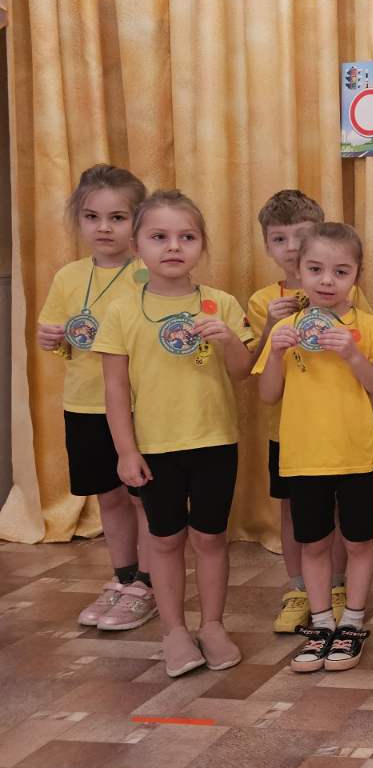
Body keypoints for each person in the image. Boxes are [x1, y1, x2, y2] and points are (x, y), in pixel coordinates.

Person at [96, 190, 254, 676]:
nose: (173, 247)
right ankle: (174, 631)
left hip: (214, 443)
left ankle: (213, 625)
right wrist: (126, 451)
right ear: (137, 246)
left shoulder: (220, 303)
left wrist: (229, 339)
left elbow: (243, 371)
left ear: (202, 245)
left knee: (211, 538)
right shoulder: (121, 310)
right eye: (159, 237)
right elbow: (115, 389)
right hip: (155, 448)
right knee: (164, 540)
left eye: (186, 237)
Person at [255, 223, 373, 674]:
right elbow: (268, 396)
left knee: (358, 542)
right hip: (303, 458)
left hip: (356, 457)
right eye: (315, 269)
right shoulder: (287, 328)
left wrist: (352, 355)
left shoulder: (367, 326)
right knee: (313, 544)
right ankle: (320, 624)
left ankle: (351, 621)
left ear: (357, 275)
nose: (327, 280)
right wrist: (276, 352)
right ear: (298, 270)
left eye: (341, 271)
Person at [37, 165, 156, 633]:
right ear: (79, 219)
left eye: (117, 217)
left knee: (144, 497)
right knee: (109, 496)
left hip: (138, 407)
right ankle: (123, 578)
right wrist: (52, 339)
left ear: (138, 221)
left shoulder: (147, 275)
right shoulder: (69, 276)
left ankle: (149, 582)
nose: (103, 227)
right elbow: (60, 337)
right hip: (84, 404)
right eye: (92, 217)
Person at [247, 190, 367, 633]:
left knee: (338, 515)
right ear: (267, 246)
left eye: (302, 236)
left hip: (340, 431)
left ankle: (335, 586)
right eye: (279, 239)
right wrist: (270, 327)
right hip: (289, 432)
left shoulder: (350, 292)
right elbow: (255, 367)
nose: (292, 247)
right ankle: (299, 588)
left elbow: (366, 347)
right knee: (292, 512)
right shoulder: (264, 300)